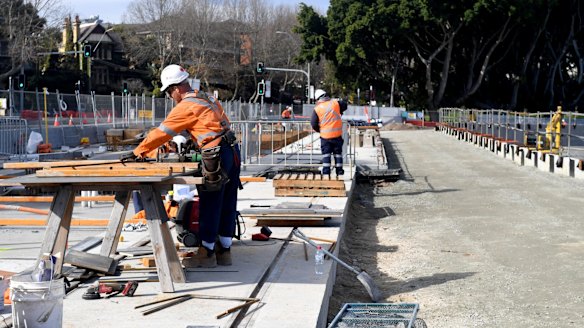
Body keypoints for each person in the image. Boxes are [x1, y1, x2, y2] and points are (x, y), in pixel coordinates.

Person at [124, 64, 241, 268]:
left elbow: (162, 133)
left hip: (216, 155)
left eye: (169, 91)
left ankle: (207, 253)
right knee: (228, 201)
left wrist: (138, 152)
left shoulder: (185, 106)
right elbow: (212, 124)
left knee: (211, 202)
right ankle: (225, 251)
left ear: (177, 88)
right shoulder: (207, 98)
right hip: (232, 150)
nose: (170, 96)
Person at [311, 89, 347, 176]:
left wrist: (320, 130)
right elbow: (345, 105)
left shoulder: (317, 109)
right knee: (338, 154)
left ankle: (326, 173)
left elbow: (313, 123)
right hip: (337, 136)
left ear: (318, 99)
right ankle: (339, 172)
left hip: (325, 137)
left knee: (326, 155)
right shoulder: (335, 103)